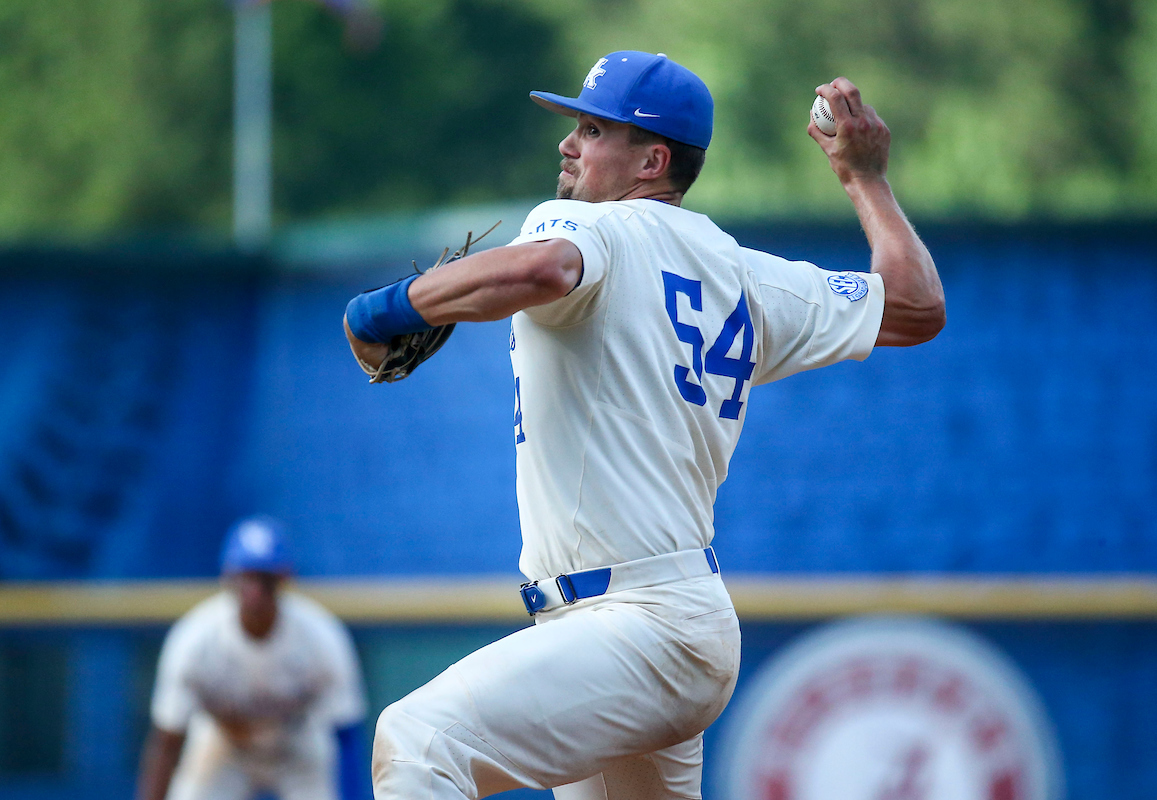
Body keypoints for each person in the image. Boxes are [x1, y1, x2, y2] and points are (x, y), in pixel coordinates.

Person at [343, 51, 944, 800]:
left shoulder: (596, 227)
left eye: (593, 130)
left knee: (419, 741)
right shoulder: (744, 273)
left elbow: (544, 270)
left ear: (652, 159)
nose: (568, 143)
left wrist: (389, 306)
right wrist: (866, 178)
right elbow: (916, 307)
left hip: (635, 626)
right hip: (658, 627)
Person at [135, 516, 369, 800]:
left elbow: (345, 736)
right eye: (247, 576)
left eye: (265, 578)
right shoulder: (195, 639)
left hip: (297, 747)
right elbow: (167, 741)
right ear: (228, 577)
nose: (255, 590)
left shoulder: (321, 636)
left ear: (284, 578)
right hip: (225, 747)